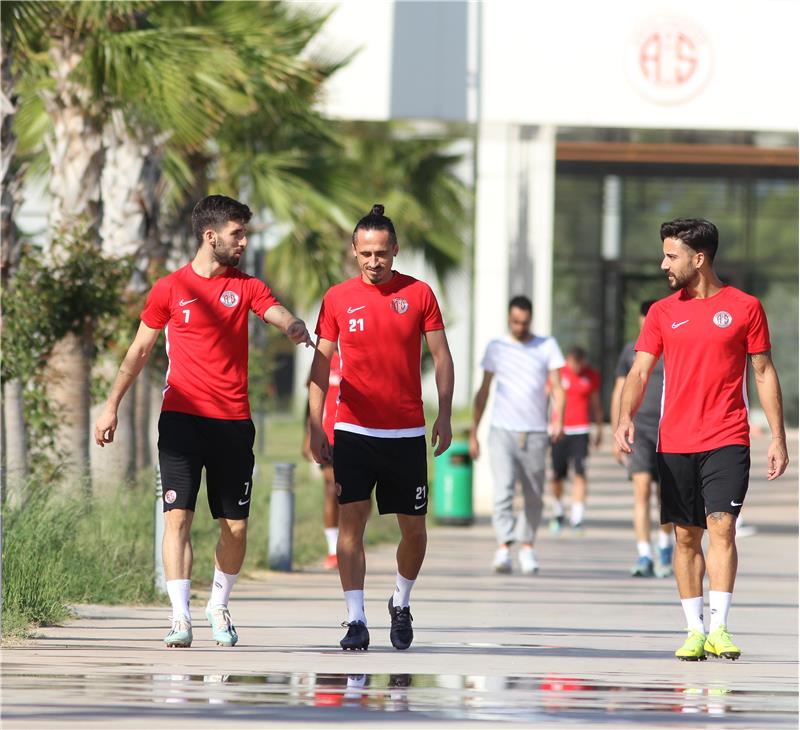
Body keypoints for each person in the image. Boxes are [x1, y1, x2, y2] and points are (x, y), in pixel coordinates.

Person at [94, 195, 313, 649]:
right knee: (177, 517)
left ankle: (218, 604)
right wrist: (111, 405)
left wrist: (292, 325)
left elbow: (274, 310)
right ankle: (180, 615)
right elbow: (139, 351)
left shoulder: (246, 286)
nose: (244, 242)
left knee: (235, 527)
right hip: (181, 420)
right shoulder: (170, 288)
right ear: (210, 237)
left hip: (233, 423)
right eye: (237, 234)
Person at [614, 218, 788, 662]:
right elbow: (639, 372)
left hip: (728, 436)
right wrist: (624, 417)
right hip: (675, 440)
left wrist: (778, 437)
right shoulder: (661, 312)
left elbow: (763, 372)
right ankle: (694, 630)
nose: (663, 264)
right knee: (686, 537)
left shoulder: (745, 307)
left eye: (671, 256)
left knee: (722, 526)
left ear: (699, 258)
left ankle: (720, 628)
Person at [308, 204, 454, 652]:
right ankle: (355, 618)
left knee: (414, 531)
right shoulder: (337, 298)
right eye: (366, 253)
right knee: (352, 524)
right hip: (353, 431)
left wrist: (445, 414)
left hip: (406, 433)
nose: (374, 262)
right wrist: (315, 425)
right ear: (354, 251)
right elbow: (320, 364)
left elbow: (442, 357)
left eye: (382, 253)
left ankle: (401, 602)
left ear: (395, 250)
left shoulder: (420, 294)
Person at [469, 295, 566, 575]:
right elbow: (483, 391)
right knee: (504, 490)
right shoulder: (496, 347)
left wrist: (558, 420)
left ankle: (527, 547)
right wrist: (474, 431)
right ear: (508, 319)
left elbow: (557, 388)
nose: (519, 327)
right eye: (515, 322)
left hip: (535, 432)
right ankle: (503, 547)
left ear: (531, 320)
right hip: (502, 431)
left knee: (534, 493)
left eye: (524, 322)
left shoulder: (546, 345)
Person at [610, 301, 674, 578]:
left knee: (665, 495)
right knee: (642, 489)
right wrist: (617, 429)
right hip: (640, 430)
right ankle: (644, 553)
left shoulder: (673, 345)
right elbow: (619, 390)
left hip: (669, 430)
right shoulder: (631, 351)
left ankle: (665, 547)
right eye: (645, 319)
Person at [548, 346, 603, 533]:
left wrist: (599, 429)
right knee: (557, 475)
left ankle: (577, 518)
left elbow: (596, 403)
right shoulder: (558, 373)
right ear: (568, 359)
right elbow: (546, 397)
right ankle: (558, 511)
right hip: (559, 431)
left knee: (580, 473)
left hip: (581, 431)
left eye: (581, 362)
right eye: (574, 362)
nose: (578, 367)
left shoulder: (591, 376)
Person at [303, 348, 342, 570]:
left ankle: (353, 537)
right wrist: (308, 434)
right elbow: (311, 400)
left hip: (356, 433)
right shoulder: (324, 359)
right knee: (331, 488)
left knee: (359, 497)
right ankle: (333, 549)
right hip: (329, 435)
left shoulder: (358, 352)